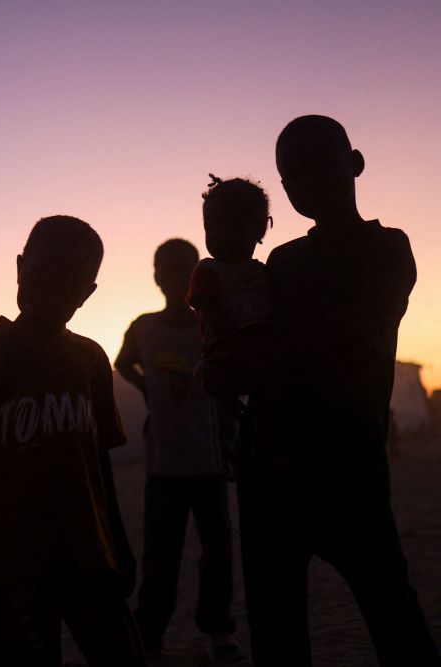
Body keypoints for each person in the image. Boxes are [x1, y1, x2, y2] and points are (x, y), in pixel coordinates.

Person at [210, 115, 440, 665]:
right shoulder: (283, 261)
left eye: (318, 166)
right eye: (291, 176)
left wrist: (246, 361)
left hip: (348, 467)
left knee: (390, 610)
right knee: (278, 624)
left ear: (355, 164)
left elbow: (349, 339)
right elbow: (266, 339)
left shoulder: (387, 249)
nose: (304, 182)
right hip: (270, 466)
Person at [0, 215, 145, 666]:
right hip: (15, 560)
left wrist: (117, 545)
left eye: (69, 282)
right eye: (43, 273)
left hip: (87, 550)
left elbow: (98, 462)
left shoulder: (90, 356)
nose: (52, 289)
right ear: (20, 268)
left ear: (87, 293)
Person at [115, 239, 242, 661]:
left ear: (195, 277)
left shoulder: (210, 325)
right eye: (167, 270)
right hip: (163, 463)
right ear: (156, 277)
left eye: (184, 270)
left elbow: (230, 373)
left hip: (208, 459)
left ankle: (219, 628)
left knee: (217, 550)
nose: (174, 278)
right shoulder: (143, 327)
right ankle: (150, 628)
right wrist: (148, 392)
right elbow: (122, 363)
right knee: (160, 553)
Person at [186, 175, 273, 356]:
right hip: (223, 360)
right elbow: (210, 310)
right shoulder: (207, 271)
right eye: (211, 227)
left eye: (229, 225)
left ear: (260, 229)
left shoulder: (264, 272)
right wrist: (237, 340)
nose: (219, 235)